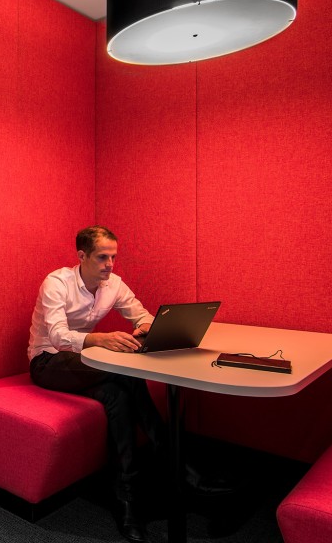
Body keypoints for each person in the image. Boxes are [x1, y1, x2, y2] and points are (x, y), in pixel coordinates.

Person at [28, 226, 227, 543]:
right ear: (82, 256)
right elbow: (57, 336)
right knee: (125, 374)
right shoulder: (57, 283)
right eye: (102, 257)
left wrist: (145, 328)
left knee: (117, 397)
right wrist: (100, 339)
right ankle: (179, 468)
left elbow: (141, 314)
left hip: (84, 362)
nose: (109, 264)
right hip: (48, 361)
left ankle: (127, 502)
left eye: (113, 257)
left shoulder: (113, 284)